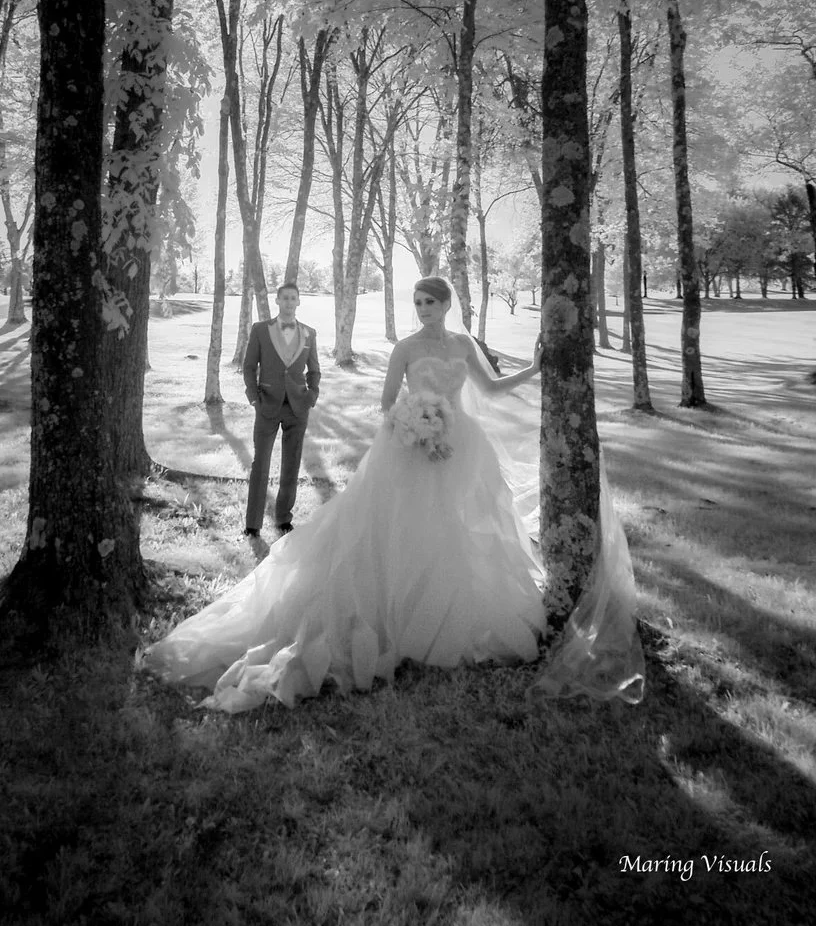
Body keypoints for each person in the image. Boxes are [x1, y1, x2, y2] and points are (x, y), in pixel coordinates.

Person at [143, 276, 589, 713]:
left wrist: (533, 369)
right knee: (400, 528)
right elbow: (388, 401)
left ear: (446, 305)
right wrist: (422, 434)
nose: (423, 309)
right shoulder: (406, 347)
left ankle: (446, 614)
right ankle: (399, 614)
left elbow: (489, 389)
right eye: (418, 302)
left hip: (461, 445)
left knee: (456, 527)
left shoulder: (462, 345)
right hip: (411, 446)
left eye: (430, 302)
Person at [240, 282, 321, 538]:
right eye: (284, 298)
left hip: (298, 407)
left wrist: (311, 395)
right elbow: (249, 366)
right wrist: (254, 397)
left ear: (298, 302)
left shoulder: (309, 333)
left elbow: (314, 370)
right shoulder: (260, 330)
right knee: (260, 464)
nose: (288, 302)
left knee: (292, 463)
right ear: (277, 301)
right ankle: (252, 524)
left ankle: (284, 518)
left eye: (293, 298)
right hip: (267, 404)